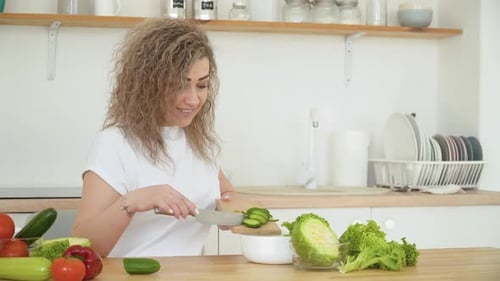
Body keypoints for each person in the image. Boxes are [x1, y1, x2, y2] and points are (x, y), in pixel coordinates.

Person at [71, 18, 237, 257]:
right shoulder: (114, 144)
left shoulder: (199, 143)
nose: (193, 99)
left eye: (201, 86)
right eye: (180, 85)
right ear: (148, 84)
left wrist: (233, 209)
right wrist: (133, 201)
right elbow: (83, 245)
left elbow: (229, 196)